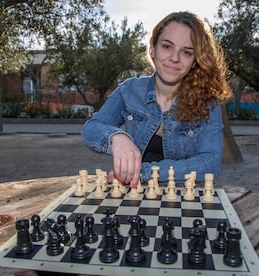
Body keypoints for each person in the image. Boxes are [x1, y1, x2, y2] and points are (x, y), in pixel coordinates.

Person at [82, 11, 231, 188]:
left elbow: (210, 163)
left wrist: (144, 172)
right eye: (167, 46)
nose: (174, 58)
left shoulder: (208, 101)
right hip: (134, 198)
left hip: (185, 200)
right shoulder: (129, 90)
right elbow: (92, 128)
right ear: (153, 48)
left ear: (194, 61)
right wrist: (117, 136)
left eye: (186, 52)